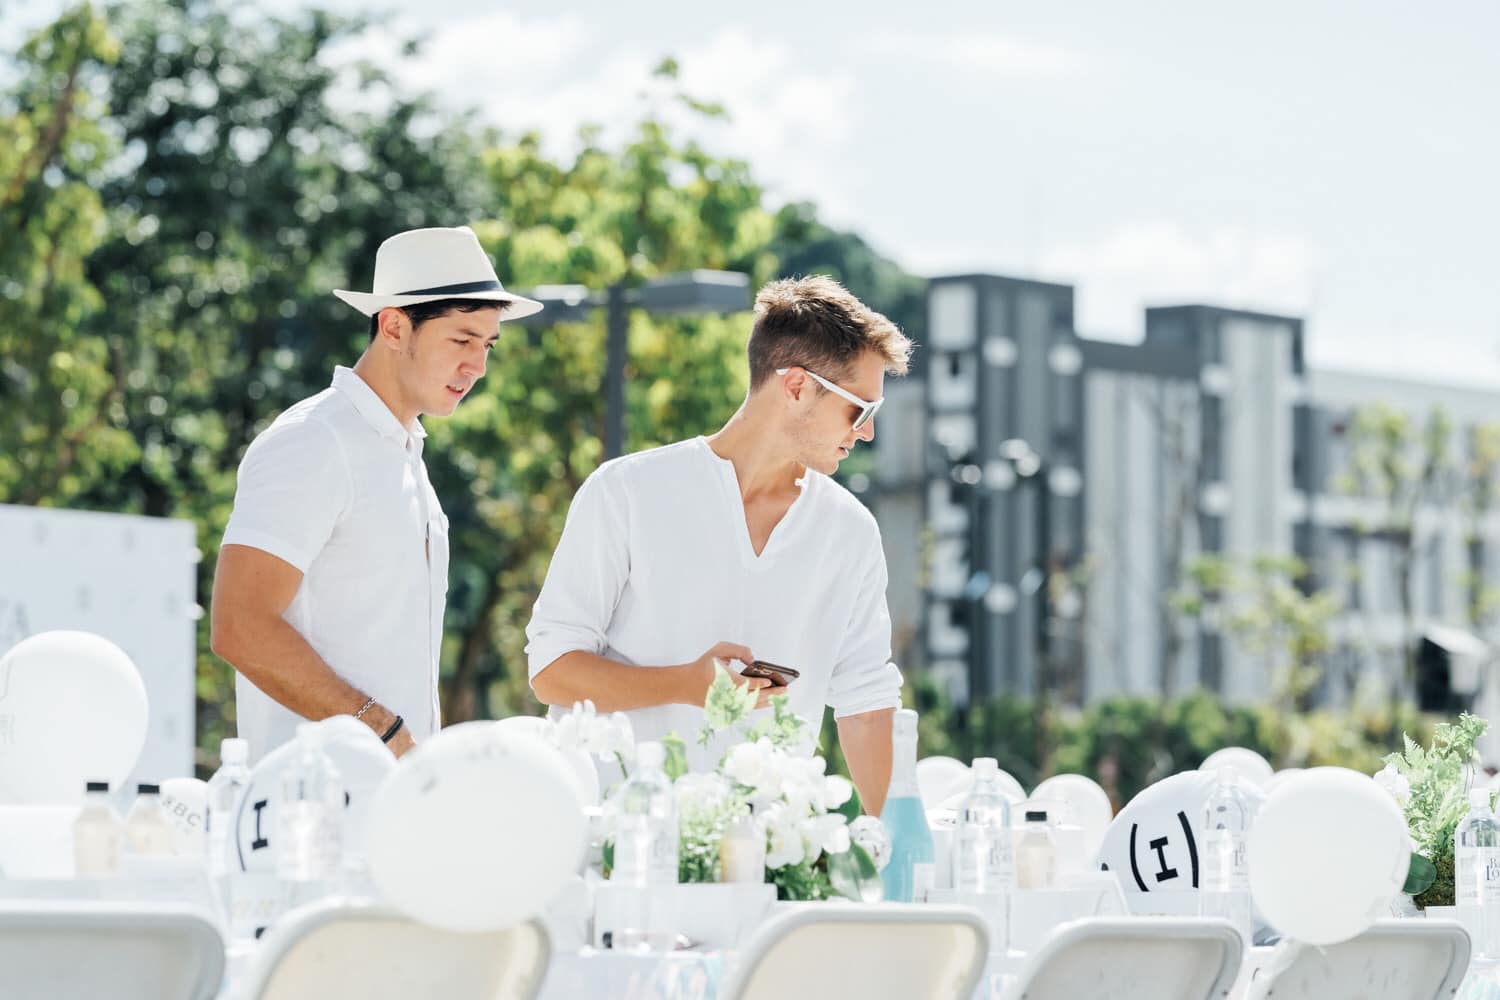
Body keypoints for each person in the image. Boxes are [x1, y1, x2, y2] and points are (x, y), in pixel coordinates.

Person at [526, 276, 911, 812]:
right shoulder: (626, 491)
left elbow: (867, 704)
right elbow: (552, 672)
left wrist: (896, 840)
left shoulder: (851, 531)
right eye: (859, 411)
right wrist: (686, 685)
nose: (866, 433)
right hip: (621, 838)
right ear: (796, 387)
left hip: (769, 848)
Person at [210, 226, 542, 761]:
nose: (478, 367)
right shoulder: (314, 440)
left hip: (391, 795)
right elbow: (238, 626)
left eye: (487, 345)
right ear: (393, 327)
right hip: (312, 796)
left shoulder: (405, 456)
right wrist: (381, 729)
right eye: (462, 340)